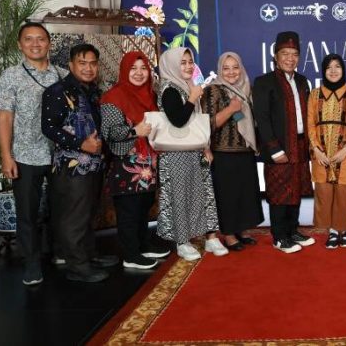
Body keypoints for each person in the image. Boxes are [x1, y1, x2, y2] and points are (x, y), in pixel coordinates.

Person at [0, 22, 67, 285]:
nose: (35, 44)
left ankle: (62, 253)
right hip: (25, 154)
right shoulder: (11, 76)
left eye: (41, 39)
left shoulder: (63, 74)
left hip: (60, 155)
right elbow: (4, 118)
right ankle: (32, 264)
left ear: (49, 43)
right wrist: (6, 156)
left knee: (63, 209)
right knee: (27, 213)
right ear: (20, 44)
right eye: (29, 39)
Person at [42, 43, 119, 282]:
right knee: (74, 217)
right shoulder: (57, 91)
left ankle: (89, 255)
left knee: (88, 214)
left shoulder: (92, 91)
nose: (88, 68)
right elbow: (49, 127)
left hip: (94, 164)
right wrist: (80, 144)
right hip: (71, 166)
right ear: (71, 65)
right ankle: (77, 266)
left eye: (93, 63)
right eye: (82, 63)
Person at [100, 51, 170, 270]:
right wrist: (134, 131)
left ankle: (143, 245)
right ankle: (131, 254)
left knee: (143, 207)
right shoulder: (113, 97)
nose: (139, 73)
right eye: (133, 68)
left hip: (148, 163)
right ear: (124, 71)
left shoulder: (150, 95)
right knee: (129, 211)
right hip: (126, 163)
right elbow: (109, 132)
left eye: (143, 68)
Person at [156, 47, 224, 261]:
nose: (187, 66)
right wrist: (193, 98)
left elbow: (196, 123)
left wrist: (205, 147)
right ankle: (182, 241)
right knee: (180, 197)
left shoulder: (187, 85)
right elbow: (178, 120)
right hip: (176, 155)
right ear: (171, 65)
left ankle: (210, 237)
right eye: (182, 62)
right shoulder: (169, 89)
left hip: (194, 151)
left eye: (190, 62)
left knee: (204, 194)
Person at [252, 31, 315, 253]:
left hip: (300, 145)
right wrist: (274, 148)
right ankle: (279, 236)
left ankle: (292, 230)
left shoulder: (302, 81)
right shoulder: (264, 82)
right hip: (279, 146)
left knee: (295, 190)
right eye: (285, 53)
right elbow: (262, 118)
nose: (290, 58)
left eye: (295, 54)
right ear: (276, 56)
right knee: (279, 192)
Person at [202, 52, 264, 251]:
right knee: (228, 195)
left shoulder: (246, 88)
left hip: (245, 150)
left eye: (235, 67)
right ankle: (229, 234)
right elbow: (206, 124)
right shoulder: (213, 90)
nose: (231, 72)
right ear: (220, 70)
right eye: (226, 68)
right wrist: (230, 109)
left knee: (245, 193)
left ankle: (242, 230)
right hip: (223, 152)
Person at [307, 53, 346, 249]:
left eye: (338, 66)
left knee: (344, 191)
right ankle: (333, 231)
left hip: (345, 151)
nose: (333, 71)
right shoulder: (314, 94)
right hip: (321, 150)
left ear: (343, 70)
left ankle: (345, 229)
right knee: (325, 190)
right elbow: (310, 124)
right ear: (323, 71)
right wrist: (316, 149)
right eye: (329, 67)